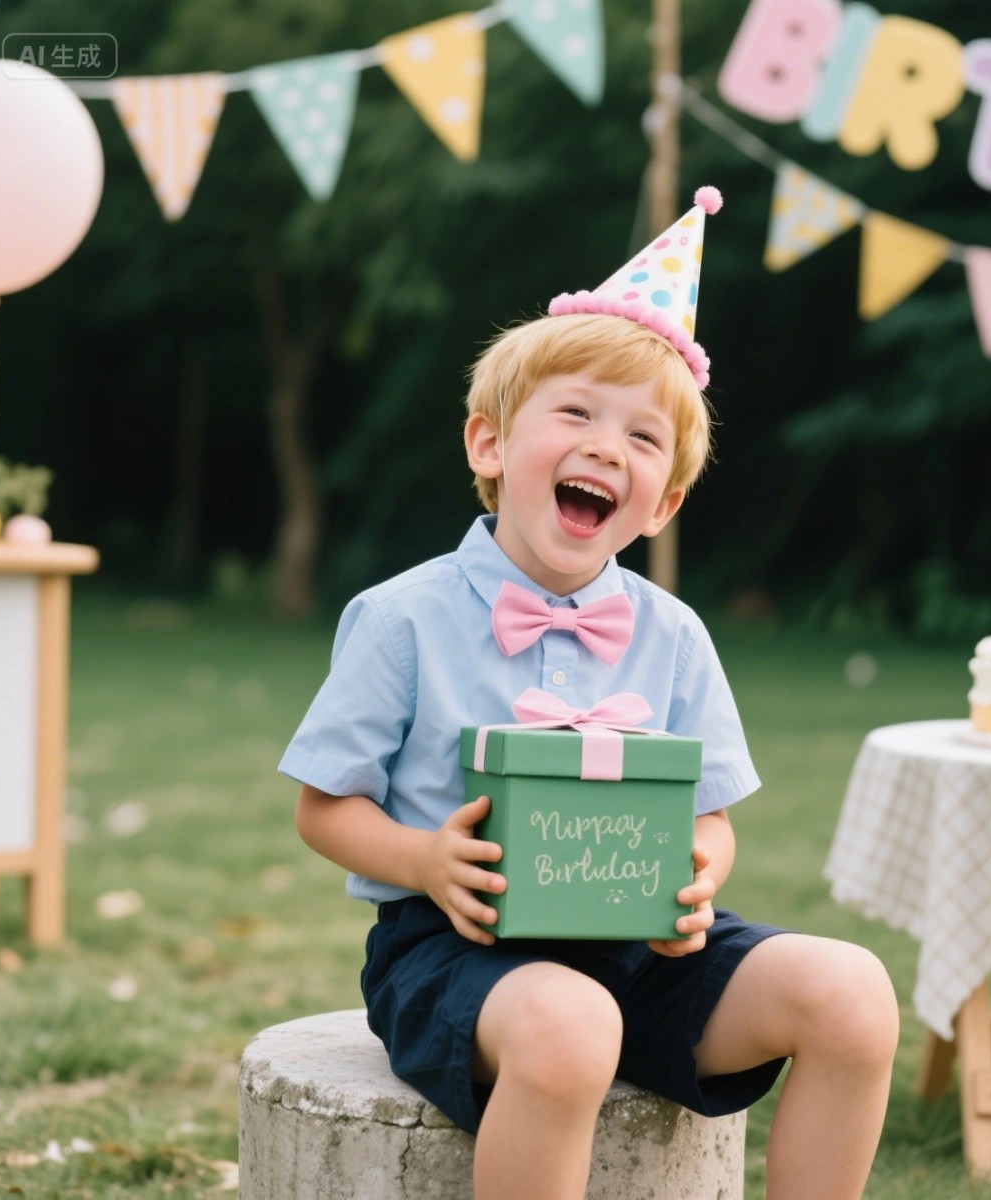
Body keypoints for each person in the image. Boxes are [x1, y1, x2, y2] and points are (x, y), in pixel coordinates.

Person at [281, 187, 898, 1200]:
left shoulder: (674, 634)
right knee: (573, 1024)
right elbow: (322, 806)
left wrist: (695, 882)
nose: (609, 446)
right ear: (490, 445)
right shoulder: (405, 617)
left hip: (643, 954)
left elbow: (709, 820)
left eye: (644, 439)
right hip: (458, 954)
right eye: (575, 413)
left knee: (852, 992)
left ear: (664, 501)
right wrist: (425, 860)